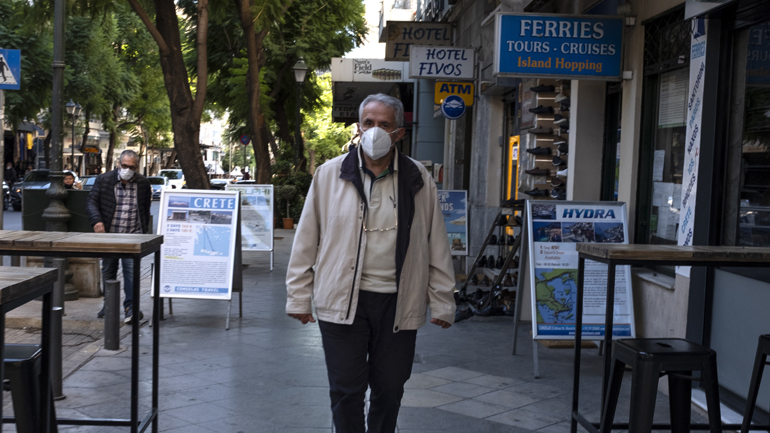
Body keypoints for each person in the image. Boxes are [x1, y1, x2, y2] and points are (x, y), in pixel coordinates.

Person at [286, 93, 456, 433]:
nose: (374, 131)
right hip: (342, 298)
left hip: (398, 301)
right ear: (358, 127)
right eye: (368, 123)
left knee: (390, 390)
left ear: (399, 133)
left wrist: (442, 300)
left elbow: (435, 241)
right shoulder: (329, 174)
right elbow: (306, 239)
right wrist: (299, 297)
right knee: (346, 390)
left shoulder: (417, 177)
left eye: (384, 124)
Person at [87, 150, 152, 323]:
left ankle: (131, 309)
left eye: (131, 167)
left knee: (131, 272)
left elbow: (145, 209)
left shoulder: (143, 183)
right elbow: (92, 202)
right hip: (110, 235)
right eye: (124, 166)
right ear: (118, 164)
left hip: (132, 236)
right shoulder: (104, 180)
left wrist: (143, 232)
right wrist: (97, 221)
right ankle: (108, 305)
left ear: (136, 167)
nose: (127, 169)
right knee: (109, 270)